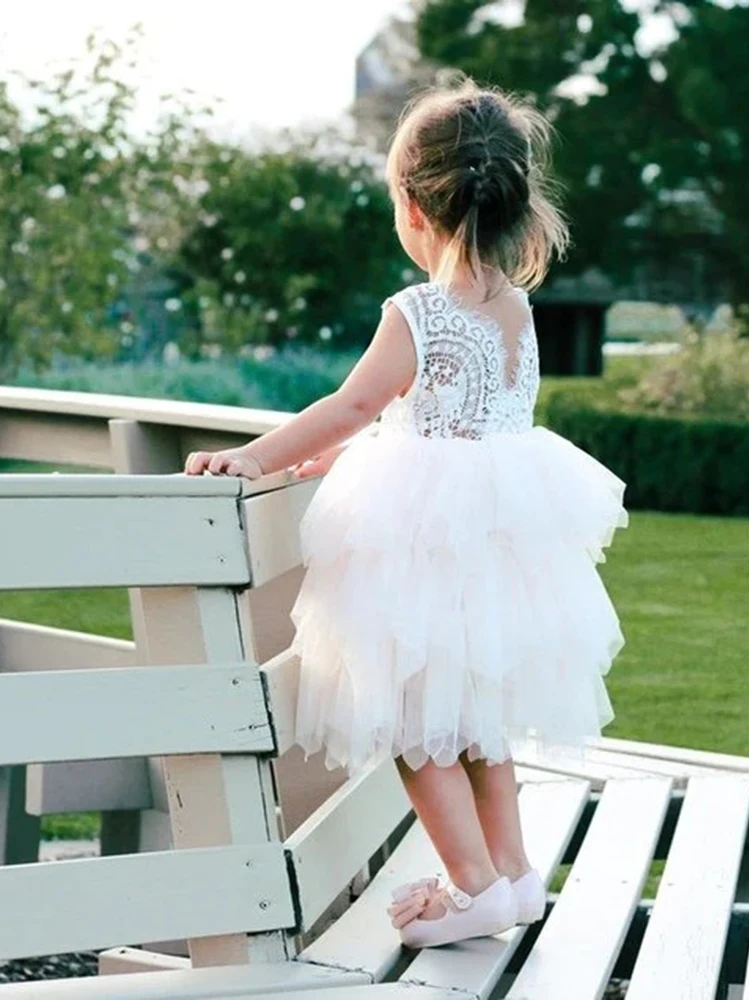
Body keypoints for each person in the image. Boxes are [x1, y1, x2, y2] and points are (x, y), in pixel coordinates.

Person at [185, 79, 627, 949]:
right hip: (494, 545)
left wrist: (258, 457)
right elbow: (448, 420)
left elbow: (356, 404)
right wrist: (350, 458)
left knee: (417, 727)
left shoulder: (418, 311)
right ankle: (515, 876)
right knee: (478, 725)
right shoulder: (513, 304)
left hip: (428, 552)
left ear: (416, 208)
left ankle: (471, 888)